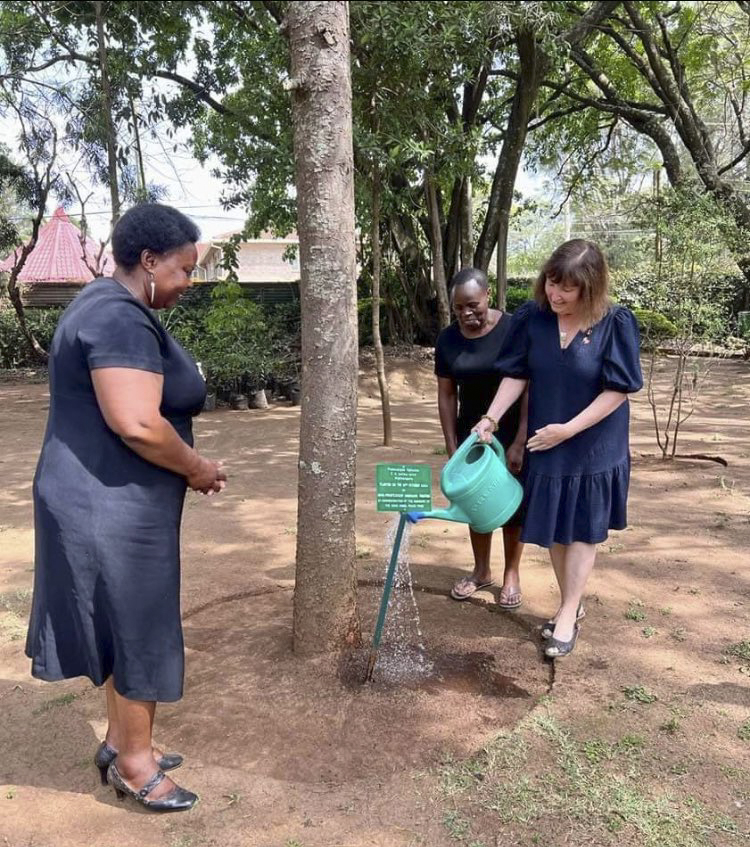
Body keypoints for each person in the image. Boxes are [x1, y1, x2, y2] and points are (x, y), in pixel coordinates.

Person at [25, 204, 226, 812]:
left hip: (103, 497)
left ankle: (122, 740)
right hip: (109, 504)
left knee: (121, 622)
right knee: (140, 626)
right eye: (184, 269)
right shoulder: (117, 317)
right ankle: (136, 767)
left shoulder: (104, 305)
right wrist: (198, 470)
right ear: (148, 260)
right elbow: (137, 422)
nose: (188, 282)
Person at [474, 240, 643, 658]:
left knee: (582, 527)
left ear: (590, 287)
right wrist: (491, 418)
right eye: (551, 283)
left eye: (567, 289)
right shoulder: (533, 318)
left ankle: (567, 612)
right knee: (553, 527)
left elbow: (618, 391)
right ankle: (574, 601)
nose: (555, 295)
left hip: (593, 442)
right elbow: (516, 374)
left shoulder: (615, 323)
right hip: (547, 441)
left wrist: (567, 430)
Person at [435, 268, 528, 609]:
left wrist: (519, 439)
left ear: (488, 295)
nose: (466, 313)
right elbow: (446, 394)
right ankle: (481, 570)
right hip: (470, 435)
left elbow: (528, 385)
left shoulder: (513, 329)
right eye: (458, 307)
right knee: (476, 502)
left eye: (472, 305)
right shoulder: (447, 340)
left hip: (514, 428)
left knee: (513, 505)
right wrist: (451, 444)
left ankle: (512, 575)